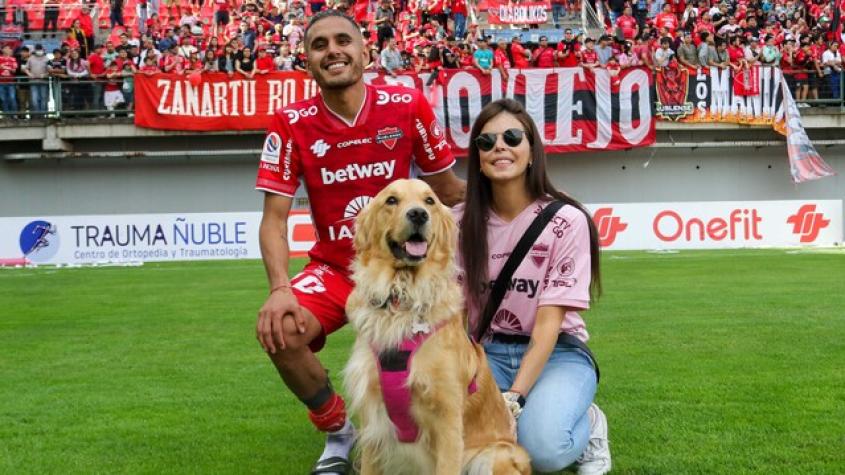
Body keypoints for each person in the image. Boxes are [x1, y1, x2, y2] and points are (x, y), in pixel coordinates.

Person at [253, 9, 465, 475]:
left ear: (365, 50)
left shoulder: (406, 105)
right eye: (320, 45)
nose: (333, 51)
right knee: (281, 332)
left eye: (343, 41)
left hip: (403, 267)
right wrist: (279, 288)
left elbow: (449, 191)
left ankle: (480, 414)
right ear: (306, 60)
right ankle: (338, 432)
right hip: (334, 270)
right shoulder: (291, 123)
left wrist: (529, 197)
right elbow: (274, 219)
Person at [454, 98, 610, 475]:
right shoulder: (456, 223)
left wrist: (513, 399)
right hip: (485, 354)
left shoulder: (566, 220)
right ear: (477, 157)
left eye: (511, 137)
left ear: (531, 150)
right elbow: (455, 317)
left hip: (558, 354)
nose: (500, 147)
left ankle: (590, 426)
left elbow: (548, 324)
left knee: (542, 450)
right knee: (455, 444)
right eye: (486, 142)